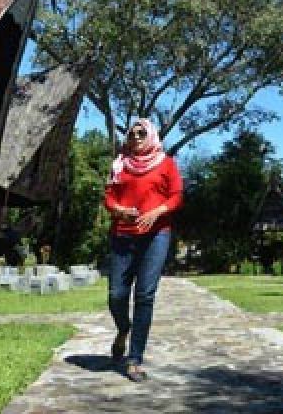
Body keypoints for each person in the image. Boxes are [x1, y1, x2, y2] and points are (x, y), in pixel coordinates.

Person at [103, 118, 183, 382]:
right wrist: (119, 210)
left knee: (145, 295)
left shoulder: (166, 163)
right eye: (132, 133)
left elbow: (176, 196)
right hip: (122, 236)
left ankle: (134, 358)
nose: (136, 137)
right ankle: (123, 329)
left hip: (156, 236)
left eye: (141, 133)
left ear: (150, 135)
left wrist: (157, 212)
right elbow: (109, 197)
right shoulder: (120, 164)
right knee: (116, 294)